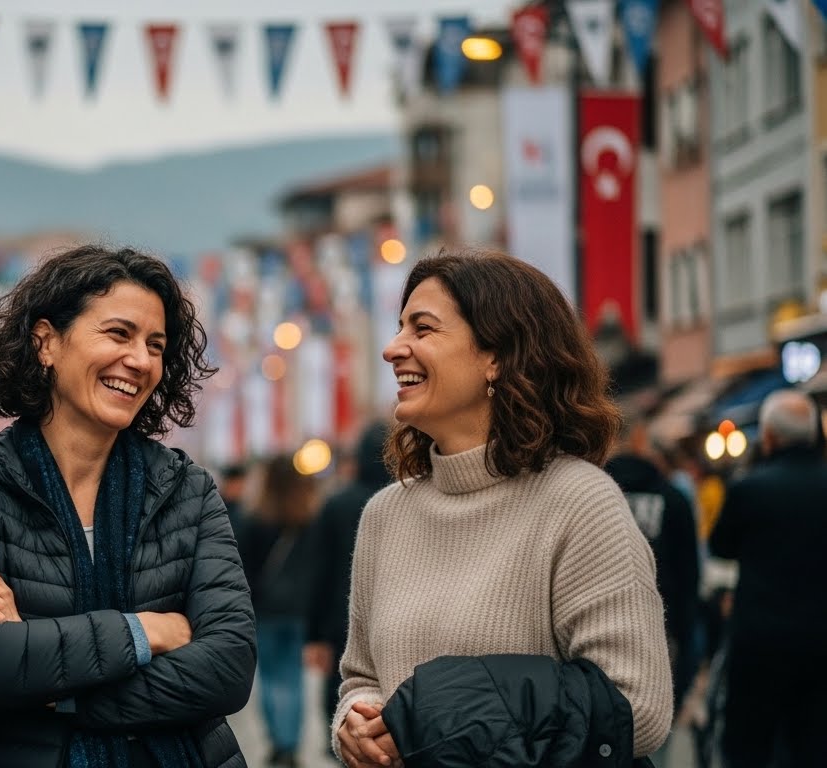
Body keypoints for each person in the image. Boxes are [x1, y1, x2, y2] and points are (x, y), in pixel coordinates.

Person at [0, 244, 256, 768]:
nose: (140, 360)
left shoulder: (187, 491)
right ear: (47, 342)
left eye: (155, 344)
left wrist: (58, 689)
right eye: (119, 334)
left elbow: (228, 668)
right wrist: (147, 631)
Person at [334, 247, 672, 767]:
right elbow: (361, 677)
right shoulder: (384, 515)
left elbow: (638, 707)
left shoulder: (581, 503)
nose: (392, 348)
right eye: (400, 327)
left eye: (422, 330)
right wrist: (354, 723)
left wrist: (439, 718)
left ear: (497, 355)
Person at [708, 389, 827, 768]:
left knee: (749, 746)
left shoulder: (750, 488)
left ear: (769, 437)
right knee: (813, 743)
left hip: (760, 640)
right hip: (821, 640)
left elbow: (720, 546)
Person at [605, 421, 701, 717]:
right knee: (654, 720)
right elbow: (689, 574)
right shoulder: (673, 498)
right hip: (662, 626)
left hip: (602, 626)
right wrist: (686, 639)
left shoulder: (593, 496)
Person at [304, 423, 390, 727]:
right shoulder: (403, 501)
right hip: (390, 613)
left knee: (345, 687)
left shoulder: (337, 503)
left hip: (338, 616)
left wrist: (313, 634)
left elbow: (319, 569)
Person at [237, 455, 320, 768]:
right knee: (294, 679)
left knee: (271, 677)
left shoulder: (255, 517)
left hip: (265, 609)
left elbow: (243, 568)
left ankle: (279, 743)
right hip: (298, 609)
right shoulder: (308, 516)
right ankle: (291, 743)